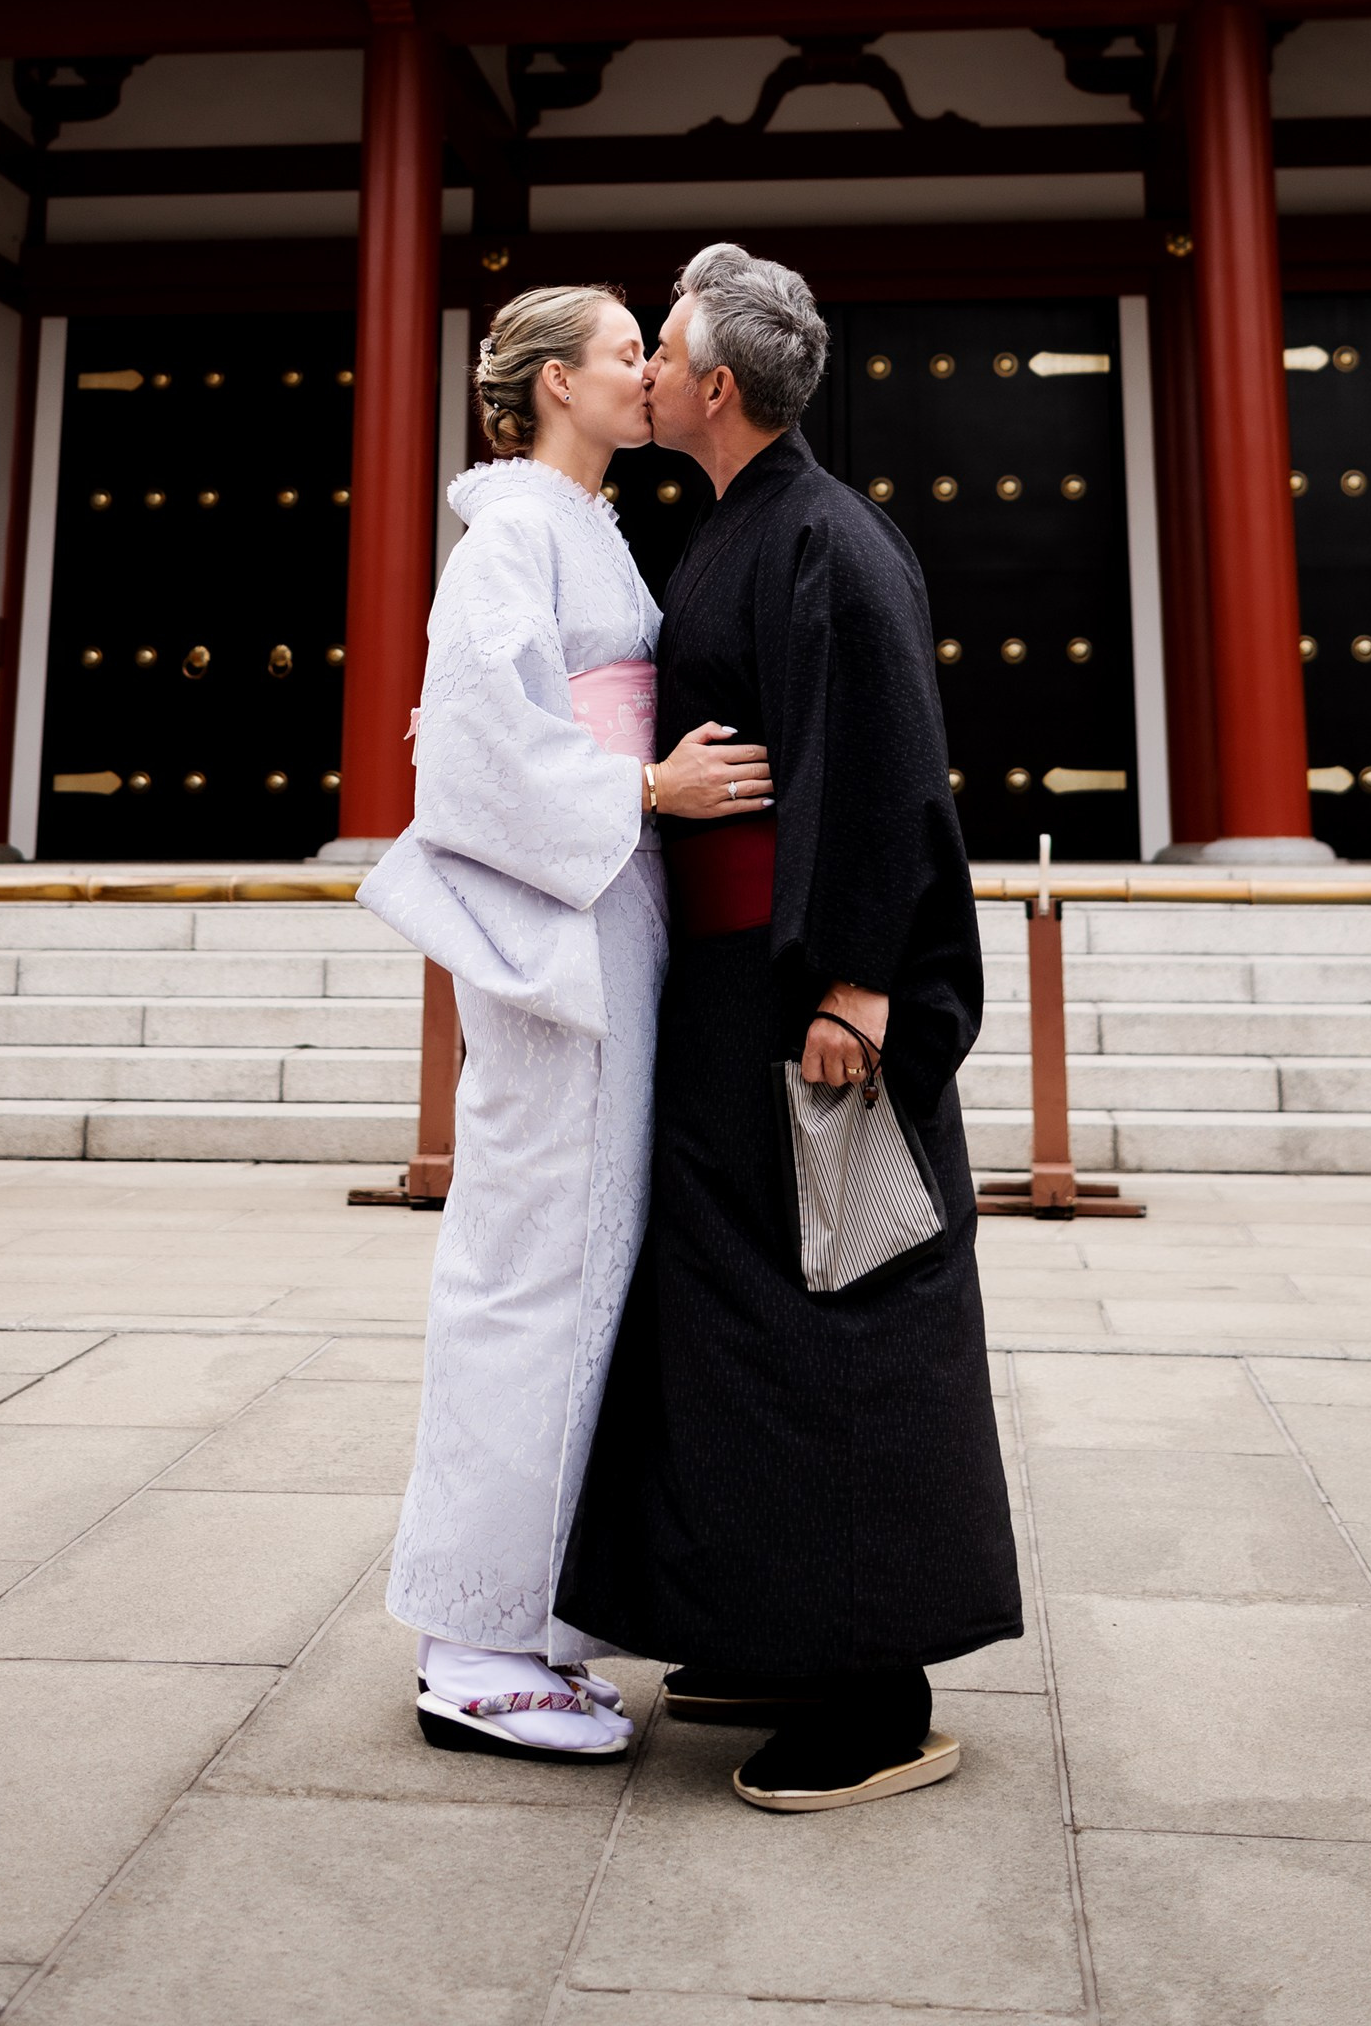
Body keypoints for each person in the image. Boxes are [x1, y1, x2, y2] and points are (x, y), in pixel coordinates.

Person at [560, 242, 1022, 1812]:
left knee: (836, 1308)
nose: (648, 367)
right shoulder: (735, 533)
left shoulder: (833, 540)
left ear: (719, 386)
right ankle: (774, 1622)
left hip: (808, 988)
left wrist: (859, 981)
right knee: (732, 1318)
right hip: (724, 985)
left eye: (664, 343)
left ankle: (878, 1690)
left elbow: (887, 762)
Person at [359, 282, 773, 1764]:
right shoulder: (515, 529)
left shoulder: (580, 523)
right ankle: (473, 1641)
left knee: (580, 1248)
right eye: (622, 354)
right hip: (561, 917)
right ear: (549, 383)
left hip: (607, 905)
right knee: (530, 1253)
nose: (647, 374)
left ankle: (537, 1618)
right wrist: (646, 791)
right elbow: (472, 748)